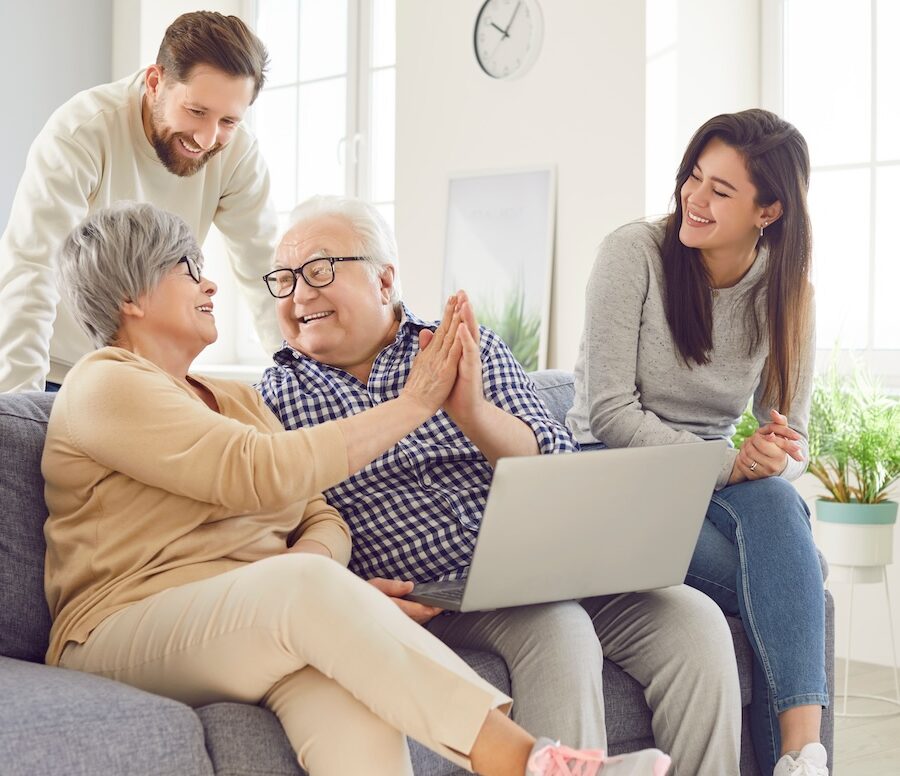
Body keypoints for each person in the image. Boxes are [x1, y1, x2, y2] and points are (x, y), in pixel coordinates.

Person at [43, 202, 673, 776]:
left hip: (251, 619)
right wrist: (415, 403)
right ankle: (536, 764)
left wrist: (314, 569)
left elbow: (320, 513)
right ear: (132, 295)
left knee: (355, 707)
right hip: (120, 629)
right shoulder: (104, 383)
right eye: (188, 269)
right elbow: (253, 469)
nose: (210, 284)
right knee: (299, 592)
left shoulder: (232, 398)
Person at [256, 194, 743, 775]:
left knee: (694, 621)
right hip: (436, 593)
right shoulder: (274, 397)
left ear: (384, 281)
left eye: (318, 271)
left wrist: (475, 415)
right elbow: (278, 531)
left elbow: (556, 463)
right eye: (283, 281)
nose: (299, 295)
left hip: (548, 562)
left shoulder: (466, 347)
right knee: (558, 627)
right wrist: (347, 592)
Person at [566, 109, 828, 776]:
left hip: (716, 482)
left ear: (768, 212)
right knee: (784, 578)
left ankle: (804, 756)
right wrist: (730, 463)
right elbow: (609, 414)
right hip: (614, 471)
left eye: (721, 190)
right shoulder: (634, 255)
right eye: (694, 177)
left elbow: (788, 432)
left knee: (777, 507)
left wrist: (772, 455)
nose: (694, 197)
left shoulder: (787, 290)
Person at [0, 11, 280, 394]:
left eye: (229, 121)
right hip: (54, 371)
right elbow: (31, 269)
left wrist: (303, 375)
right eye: (196, 111)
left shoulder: (238, 155)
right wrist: (20, 404)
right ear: (155, 82)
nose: (206, 138)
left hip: (147, 377)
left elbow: (265, 272)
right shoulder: (82, 131)